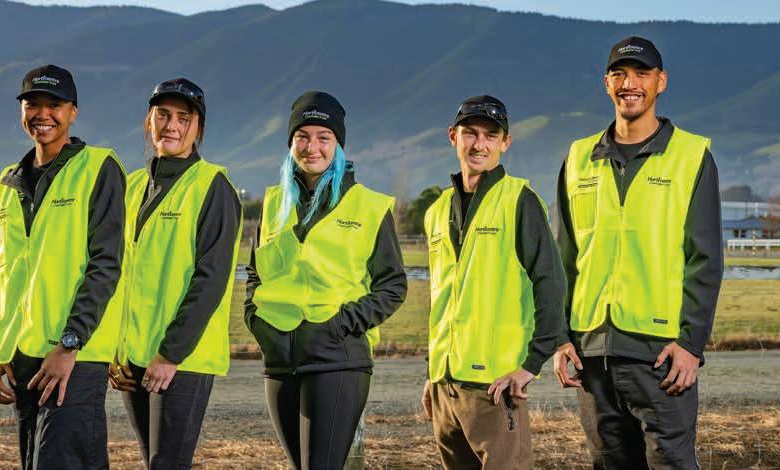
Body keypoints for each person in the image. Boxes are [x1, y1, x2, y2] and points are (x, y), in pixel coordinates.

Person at [551, 36, 723, 469]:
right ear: (606, 83)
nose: (630, 83)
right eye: (620, 74)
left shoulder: (691, 156)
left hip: (660, 355)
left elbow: (705, 260)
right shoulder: (578, 158)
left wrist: (690, 344)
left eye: (641, 74)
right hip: (591, 353)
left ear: (660, 82)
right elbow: (563, 259)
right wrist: (560, 338)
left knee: (670, 464)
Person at [244, 90, 407, 469]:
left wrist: (340, 325)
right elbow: (256, 271)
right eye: (302, 137)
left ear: (338, 145)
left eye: (323, 137)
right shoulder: (274, 203)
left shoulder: (369, 206)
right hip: (280, 359)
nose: (311, 147)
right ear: (290, 143)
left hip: (337, 359)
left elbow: (393, 285)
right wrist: (256, 318)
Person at [0, 64, 126, 469]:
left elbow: (106, 264)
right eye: (33, 104)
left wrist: (69, 344)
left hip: (74, 357)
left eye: (54, 105)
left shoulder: (97, 169)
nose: (42, 114)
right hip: (22, 357)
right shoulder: (4, 188)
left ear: (73, 112)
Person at [421, 95, 569, 469]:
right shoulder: (436, 211)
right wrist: (433, 373)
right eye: (470, 133)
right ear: (453, 136)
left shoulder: (520, 200)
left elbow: (551, 284)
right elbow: (442, 299)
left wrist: (531, 364)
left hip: (497, 387)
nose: (480, 144)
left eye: (491, 135)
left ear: (505, 142)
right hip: (445, 387)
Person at [104, 78, 243, 468]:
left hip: (181, 359)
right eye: (163, 115)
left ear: (198, 128)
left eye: (184, 118)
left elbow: (211, 280)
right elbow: (118, 273)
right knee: (152, 461)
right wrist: (115, 348)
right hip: (133, 358)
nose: (171, 125)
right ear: (148, 121)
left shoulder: (213, 187)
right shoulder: (131, 187)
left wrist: (171, 353)